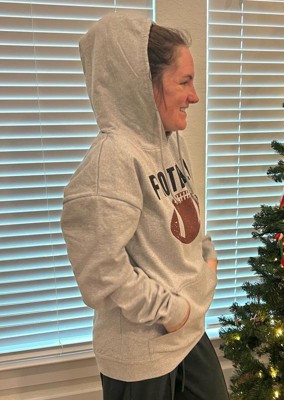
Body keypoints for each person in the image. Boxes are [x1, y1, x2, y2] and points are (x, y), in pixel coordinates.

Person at [61, 11, 230, 400]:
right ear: (141, 84)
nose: (194, 96)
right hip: (142, 354)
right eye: (184, 82)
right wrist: (172, 312)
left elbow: (185, 214)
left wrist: (206, 260)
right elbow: (100, 273)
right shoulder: (110, 162)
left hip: (188, 334)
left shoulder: (170, 141)